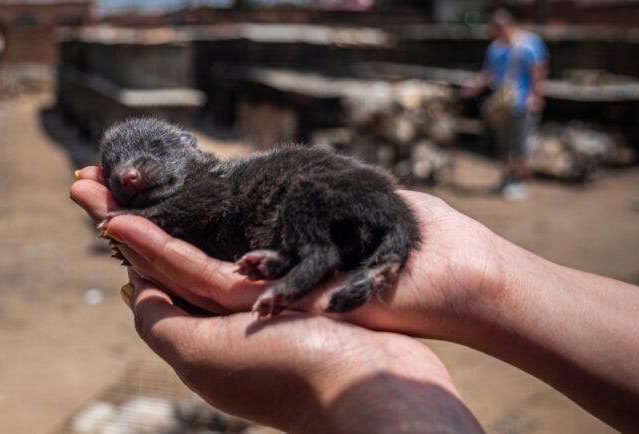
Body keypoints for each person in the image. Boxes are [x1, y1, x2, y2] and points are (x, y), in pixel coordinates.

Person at [71, 166, 639, 433]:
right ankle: (297, 263)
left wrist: (344, 392)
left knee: (303, 225)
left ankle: (298, 269)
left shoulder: (235, 186)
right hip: (356, 218)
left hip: (332, 210)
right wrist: (487, 277)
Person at [462, 8, 548, 201]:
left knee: (520, 145)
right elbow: (488, 73)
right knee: (503, 144)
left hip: (521, 103)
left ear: (506, 26)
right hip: (502, 104)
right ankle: (507, 179)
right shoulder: (495, 48)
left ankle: (520, 181)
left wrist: (535, 95)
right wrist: (473, 87)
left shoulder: (528, 43)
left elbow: (538, 70)